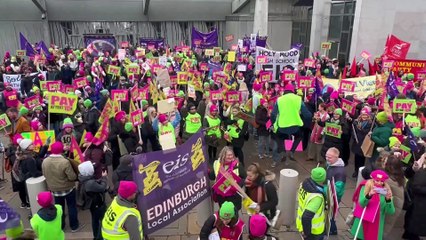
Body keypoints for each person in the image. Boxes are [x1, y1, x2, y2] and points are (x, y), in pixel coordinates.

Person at [42, 141, 82, 232]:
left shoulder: (45, 161)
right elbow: (72, 177)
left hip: (54, 189)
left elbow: (44, 174)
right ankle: (74, 226)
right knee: (71, 207)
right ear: (61, 150)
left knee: (59, 208)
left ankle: (61, 226)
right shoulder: (64, 162)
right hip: (68, 188)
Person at [351, 170, 395, 240]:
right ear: (373, 179)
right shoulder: (366, 187)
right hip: (363, 221)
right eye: (377, 180)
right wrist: (369, 195)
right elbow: (361, 204)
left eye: (381, 181)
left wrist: (388, 200)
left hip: (376, 225)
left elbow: (391, 211)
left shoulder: (386, 190)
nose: (379, 183)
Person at [78, 161, 108, 240]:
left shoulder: (83, 177)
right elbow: (102, 187)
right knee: (103, 220)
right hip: (97, 204)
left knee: (94, 220)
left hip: (92, 205)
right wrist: (104, 178)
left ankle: (95, 236)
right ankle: (100, 237)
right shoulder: (90, 183)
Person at [210, 146, 246, 211]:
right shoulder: (217, 164)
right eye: (228, 155)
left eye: (232, 155)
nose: (231, 157)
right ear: (223, 155)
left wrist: (236, 185)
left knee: (234, 214)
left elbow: (244, 178)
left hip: (233, 196)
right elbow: (212, 177)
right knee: (224, 213)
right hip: (221, 196)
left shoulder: (238, 165)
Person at [296, 167, 327, 240]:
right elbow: (306, 217)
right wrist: (307, 234)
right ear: (322, 179)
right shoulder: (316, 197)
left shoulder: (303, 184)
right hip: (314, 231)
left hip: (301, 224)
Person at [324, 147, 346, 235]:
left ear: (337, 157)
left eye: (330, 157)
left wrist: (323, 189)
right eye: (326, 156)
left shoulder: (340, 172)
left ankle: (332, 230)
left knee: (331, 214)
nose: (327, 159)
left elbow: (337, 189)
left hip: (334, 196)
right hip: (330, 193)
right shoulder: (331, 164)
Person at [351, 108, 373, 177]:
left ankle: (360, 171)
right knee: (356, 158)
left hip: (364, 143)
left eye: (366, 115)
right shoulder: (356, 122)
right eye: (363, 115)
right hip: (357, 143)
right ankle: (355, 170)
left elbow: (366, 132)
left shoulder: (370, 124)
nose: (364, 116)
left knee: (362, 159)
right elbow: (353, 131)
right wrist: (354, 136)